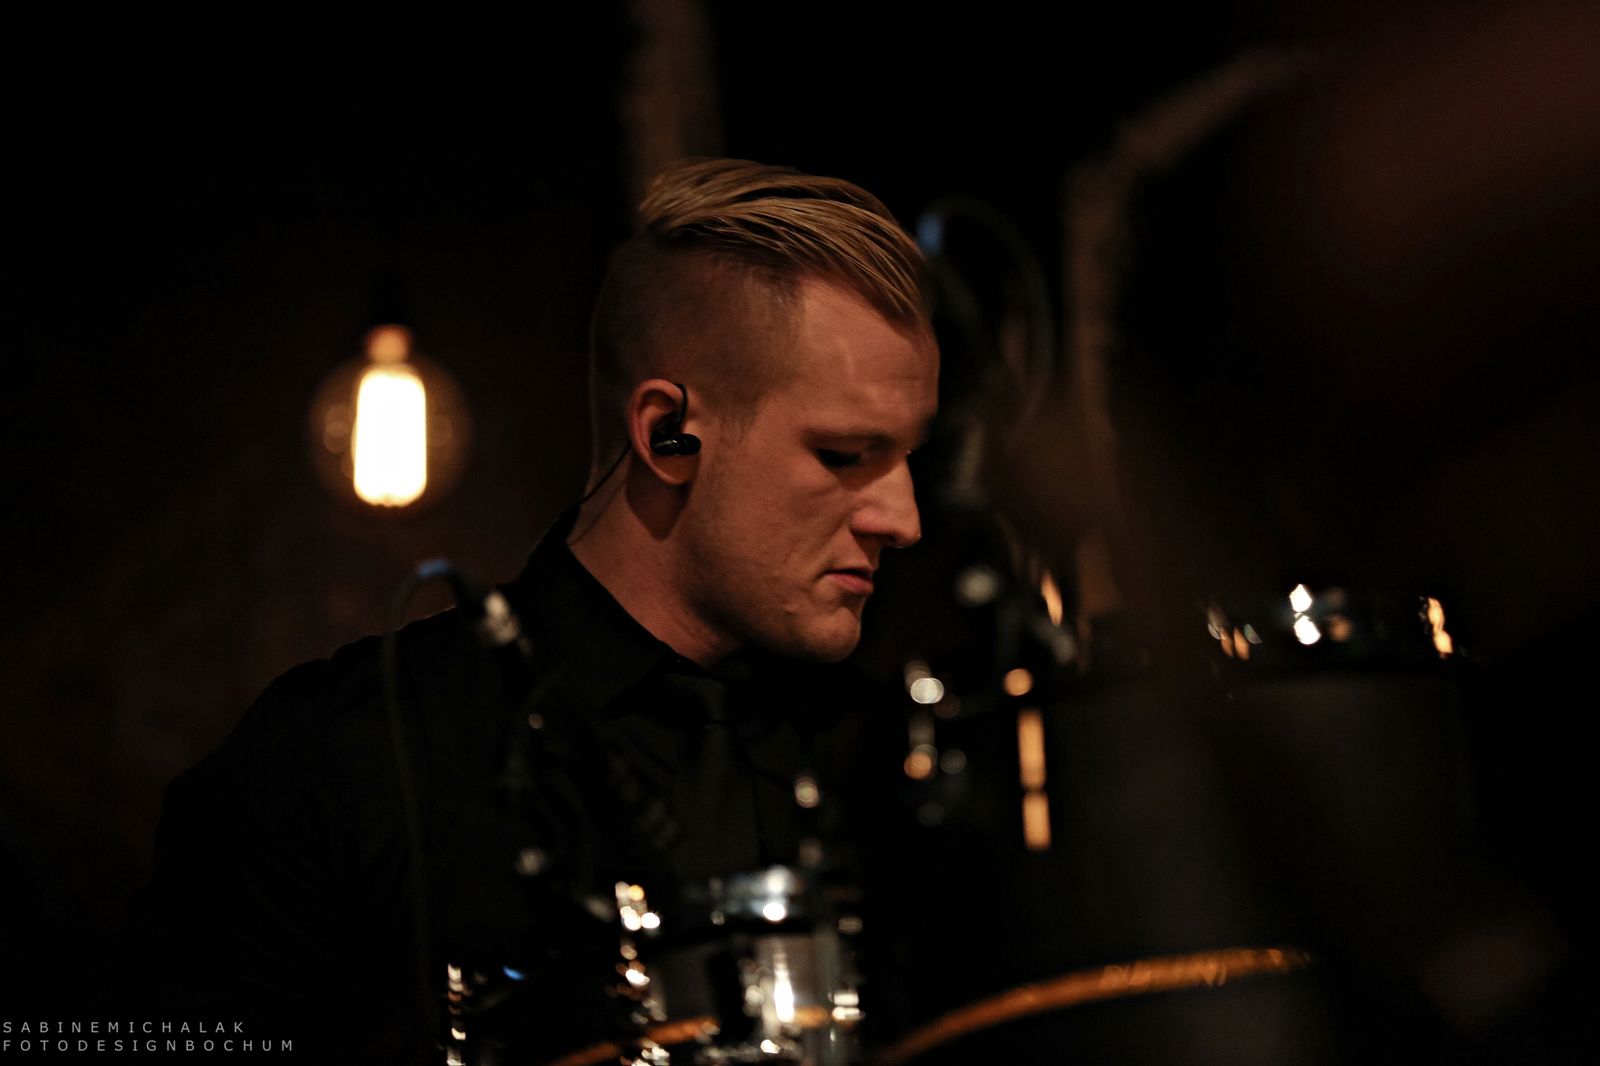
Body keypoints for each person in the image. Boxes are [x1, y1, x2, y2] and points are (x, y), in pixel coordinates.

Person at [131, 158, 939, 1063]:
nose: (903, 519)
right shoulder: (345, 759)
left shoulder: (887, 773)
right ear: (668, 435)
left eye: (907, 458)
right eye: (843, 454)